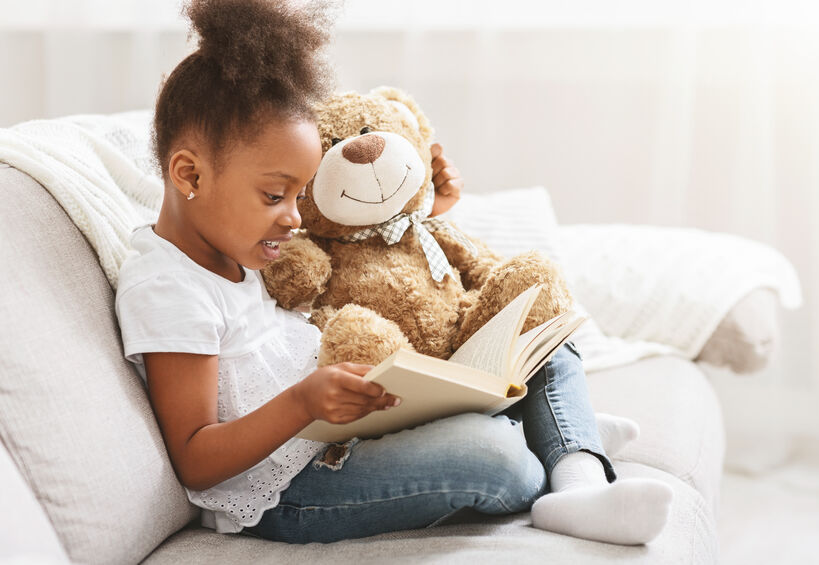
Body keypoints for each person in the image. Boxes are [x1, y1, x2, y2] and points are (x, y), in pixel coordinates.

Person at [115, 0, 672, 547]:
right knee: (496, 459)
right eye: (274, 195)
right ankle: (558, 436)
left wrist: (422, 214)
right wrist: (303, 403)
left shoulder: (238, 237)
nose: (293, 217)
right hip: (291, 490)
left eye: (302, 195)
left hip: (347, 429)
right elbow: (194, 458)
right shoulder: (169, 286)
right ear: (189, 173)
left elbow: (350, 249)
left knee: (540, 328)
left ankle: (577, 469)